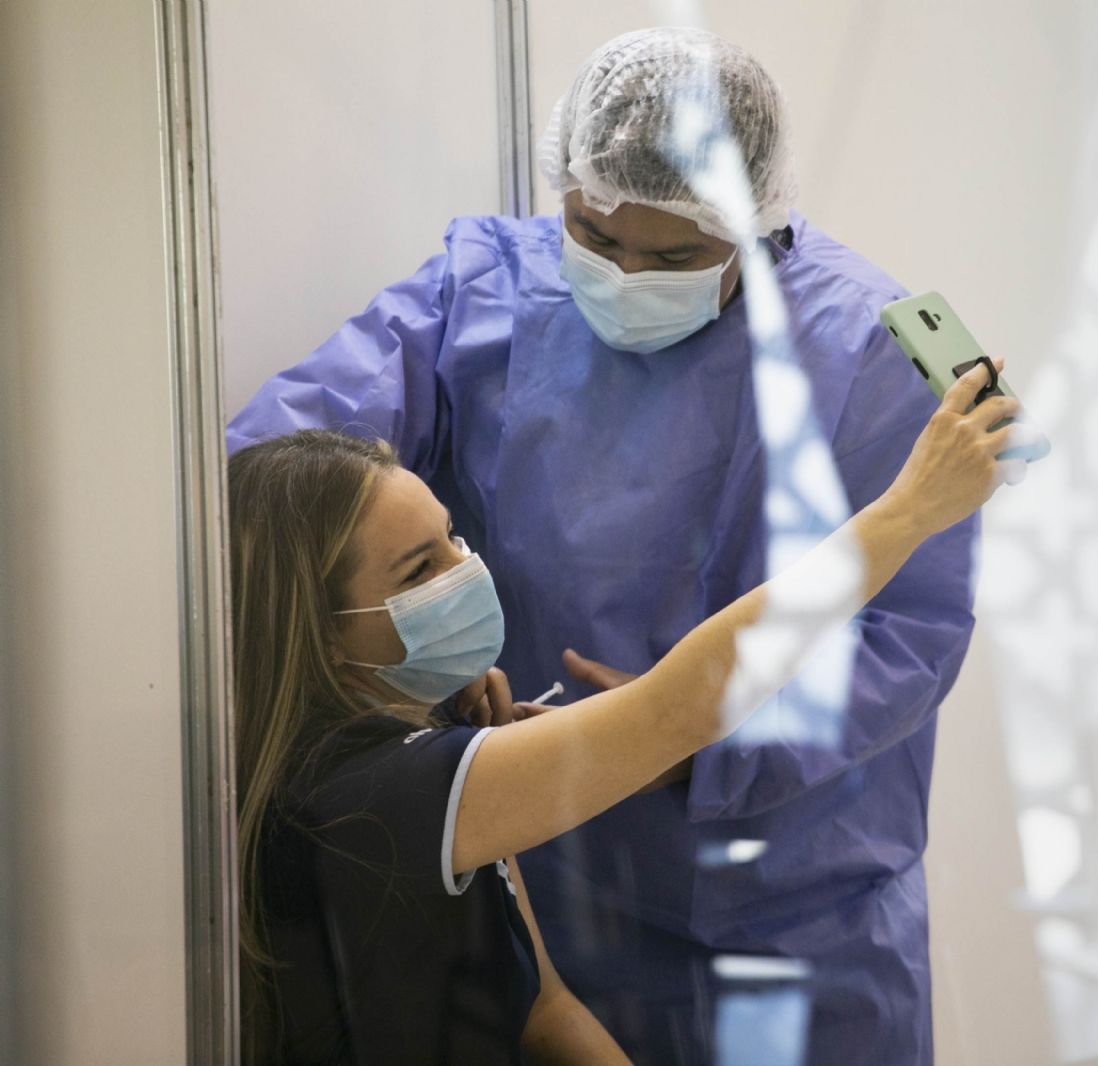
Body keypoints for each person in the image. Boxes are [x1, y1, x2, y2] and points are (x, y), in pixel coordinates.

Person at [228, 26, 983, 1064]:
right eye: (592, 236)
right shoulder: (484, 290)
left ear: (756, 221)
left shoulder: (867, 352)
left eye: (672, 257)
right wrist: (410, 661)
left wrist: (707, 748)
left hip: (796, 916)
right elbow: (276, 481)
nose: (625, 275)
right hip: (547, 867)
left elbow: (906, 631)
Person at [231, 368, 1022, 1063]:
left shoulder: (431, 758)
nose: (463, 572)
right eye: (419, 571)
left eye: (452, 539)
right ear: (319, 629)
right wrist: (909, 512)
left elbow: (544, 1007)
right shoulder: (372, 795)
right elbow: (680, 709)